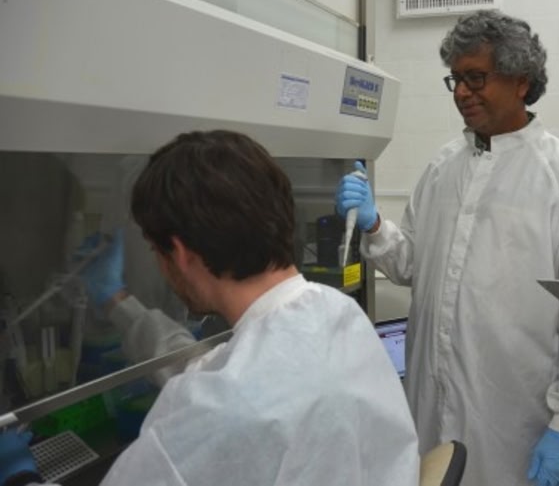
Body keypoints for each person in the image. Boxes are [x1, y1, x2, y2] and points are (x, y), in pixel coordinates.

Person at [0, 130, 419, 486]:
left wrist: (20, 476)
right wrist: (116, 300)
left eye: (155, 251)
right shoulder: (342, 315)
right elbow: (212, 370)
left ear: (179, 252)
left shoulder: (211, 415)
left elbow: (222, 400)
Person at [336, 10, 559, 486]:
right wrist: (375, 225)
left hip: (512, 417)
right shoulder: (443, 167)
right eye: (456, 79)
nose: (462, 92)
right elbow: (412, 266)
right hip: (429, 406)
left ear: (521, 81)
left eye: (476, 78)